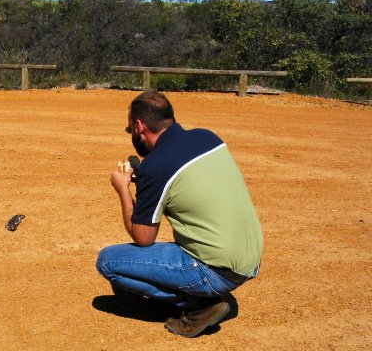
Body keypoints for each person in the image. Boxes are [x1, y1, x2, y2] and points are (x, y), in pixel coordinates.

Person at [96, 91, 263, 338]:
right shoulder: (207, 137)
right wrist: (146, 179)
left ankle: (199, 305)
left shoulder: (155, 167)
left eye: (130, 128)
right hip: (250, 259)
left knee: (108, 262)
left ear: (140, 127)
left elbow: (144, 237)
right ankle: (206, 294)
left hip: (215, 270)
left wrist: (123, 188)